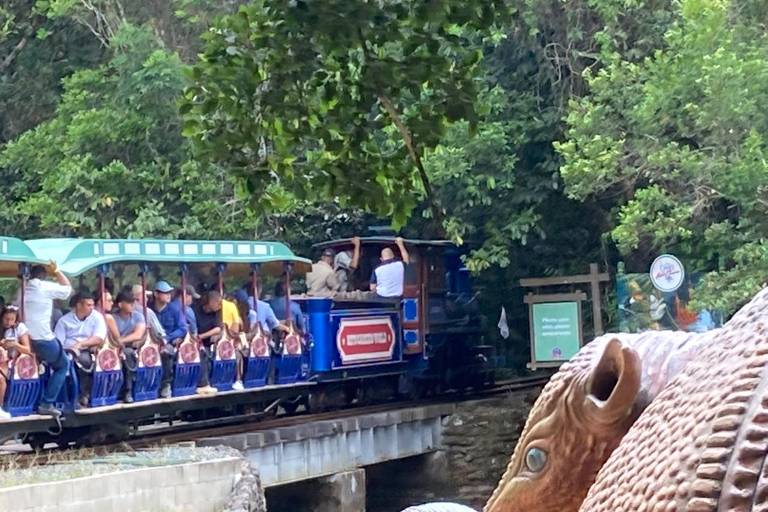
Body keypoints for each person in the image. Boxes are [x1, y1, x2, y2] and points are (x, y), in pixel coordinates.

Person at [22, 262, 72, 417]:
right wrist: (57, 271)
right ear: (44, 276)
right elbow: (67, 289)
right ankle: (46, 403)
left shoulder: (23, 288)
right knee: (63, 365)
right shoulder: (44, 286)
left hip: (26, 337)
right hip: (42, 337)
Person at [54, 291, 107, 407]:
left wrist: (81, 344)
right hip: (67, 352)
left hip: (87, 350)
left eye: (93, 305)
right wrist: (70, 349)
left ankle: (84, 394)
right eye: (89, 305)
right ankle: (68, 398)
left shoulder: (97, 317)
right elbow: (59, 342)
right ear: (79, 305)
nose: (92, 308)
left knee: (84, 360)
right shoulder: (64, 321)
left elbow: (99, 337)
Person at [112, 290, 147, 402]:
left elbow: (138, 334)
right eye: (129, 303)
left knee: (128, 353)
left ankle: (128, 390)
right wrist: (117, 343)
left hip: (131, 347)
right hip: (114, 347)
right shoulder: (113, 318)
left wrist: (121, 340)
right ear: (120, 304)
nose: (132, 305)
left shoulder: (138, 316)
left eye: (133, 302)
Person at [0, 306, 33, 419]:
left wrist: (15, 344)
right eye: (6, 319)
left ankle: (1, 406)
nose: (8, 322)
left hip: (13, 361)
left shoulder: (19, 328)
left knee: (1, 378)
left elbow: (27, 349)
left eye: (11, 319)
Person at [193, 290, 222, 395]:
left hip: (207, 341)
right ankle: (203, 384)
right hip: (194, 342)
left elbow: (218, 328)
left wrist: (202, 336)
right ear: (211, 302)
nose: (220, 305)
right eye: (218, 302)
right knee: (203, 353)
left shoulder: (217, 312)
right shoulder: (196, 311)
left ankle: (214, 382)